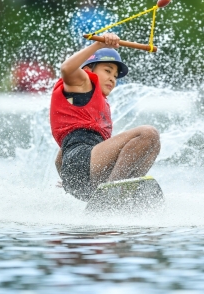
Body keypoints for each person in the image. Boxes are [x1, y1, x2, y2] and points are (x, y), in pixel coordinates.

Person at [50, 33, 161, 202]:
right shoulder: (82, 83)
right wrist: (98, 46)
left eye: (115, 76)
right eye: (108, 71)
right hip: (82, 160)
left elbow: (60, 156)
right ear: (87, 70)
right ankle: (113, 195)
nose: (112, 78)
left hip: (82, 170)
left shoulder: (92, 103)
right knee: (148, 134)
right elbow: (66, 69)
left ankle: (121, 193)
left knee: (153, 145)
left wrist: (69, 179)